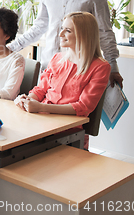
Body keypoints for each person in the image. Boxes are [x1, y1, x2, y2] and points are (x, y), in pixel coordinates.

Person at [14, 12, 110, 149]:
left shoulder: (100, 67)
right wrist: (28, 100)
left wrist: (41, 107)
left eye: (68, 30)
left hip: (68, 133)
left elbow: (83, 107)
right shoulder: (57, 58)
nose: (60, 34)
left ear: (84, 35)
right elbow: (40, 89)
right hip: (40, 123)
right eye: (62, 28)